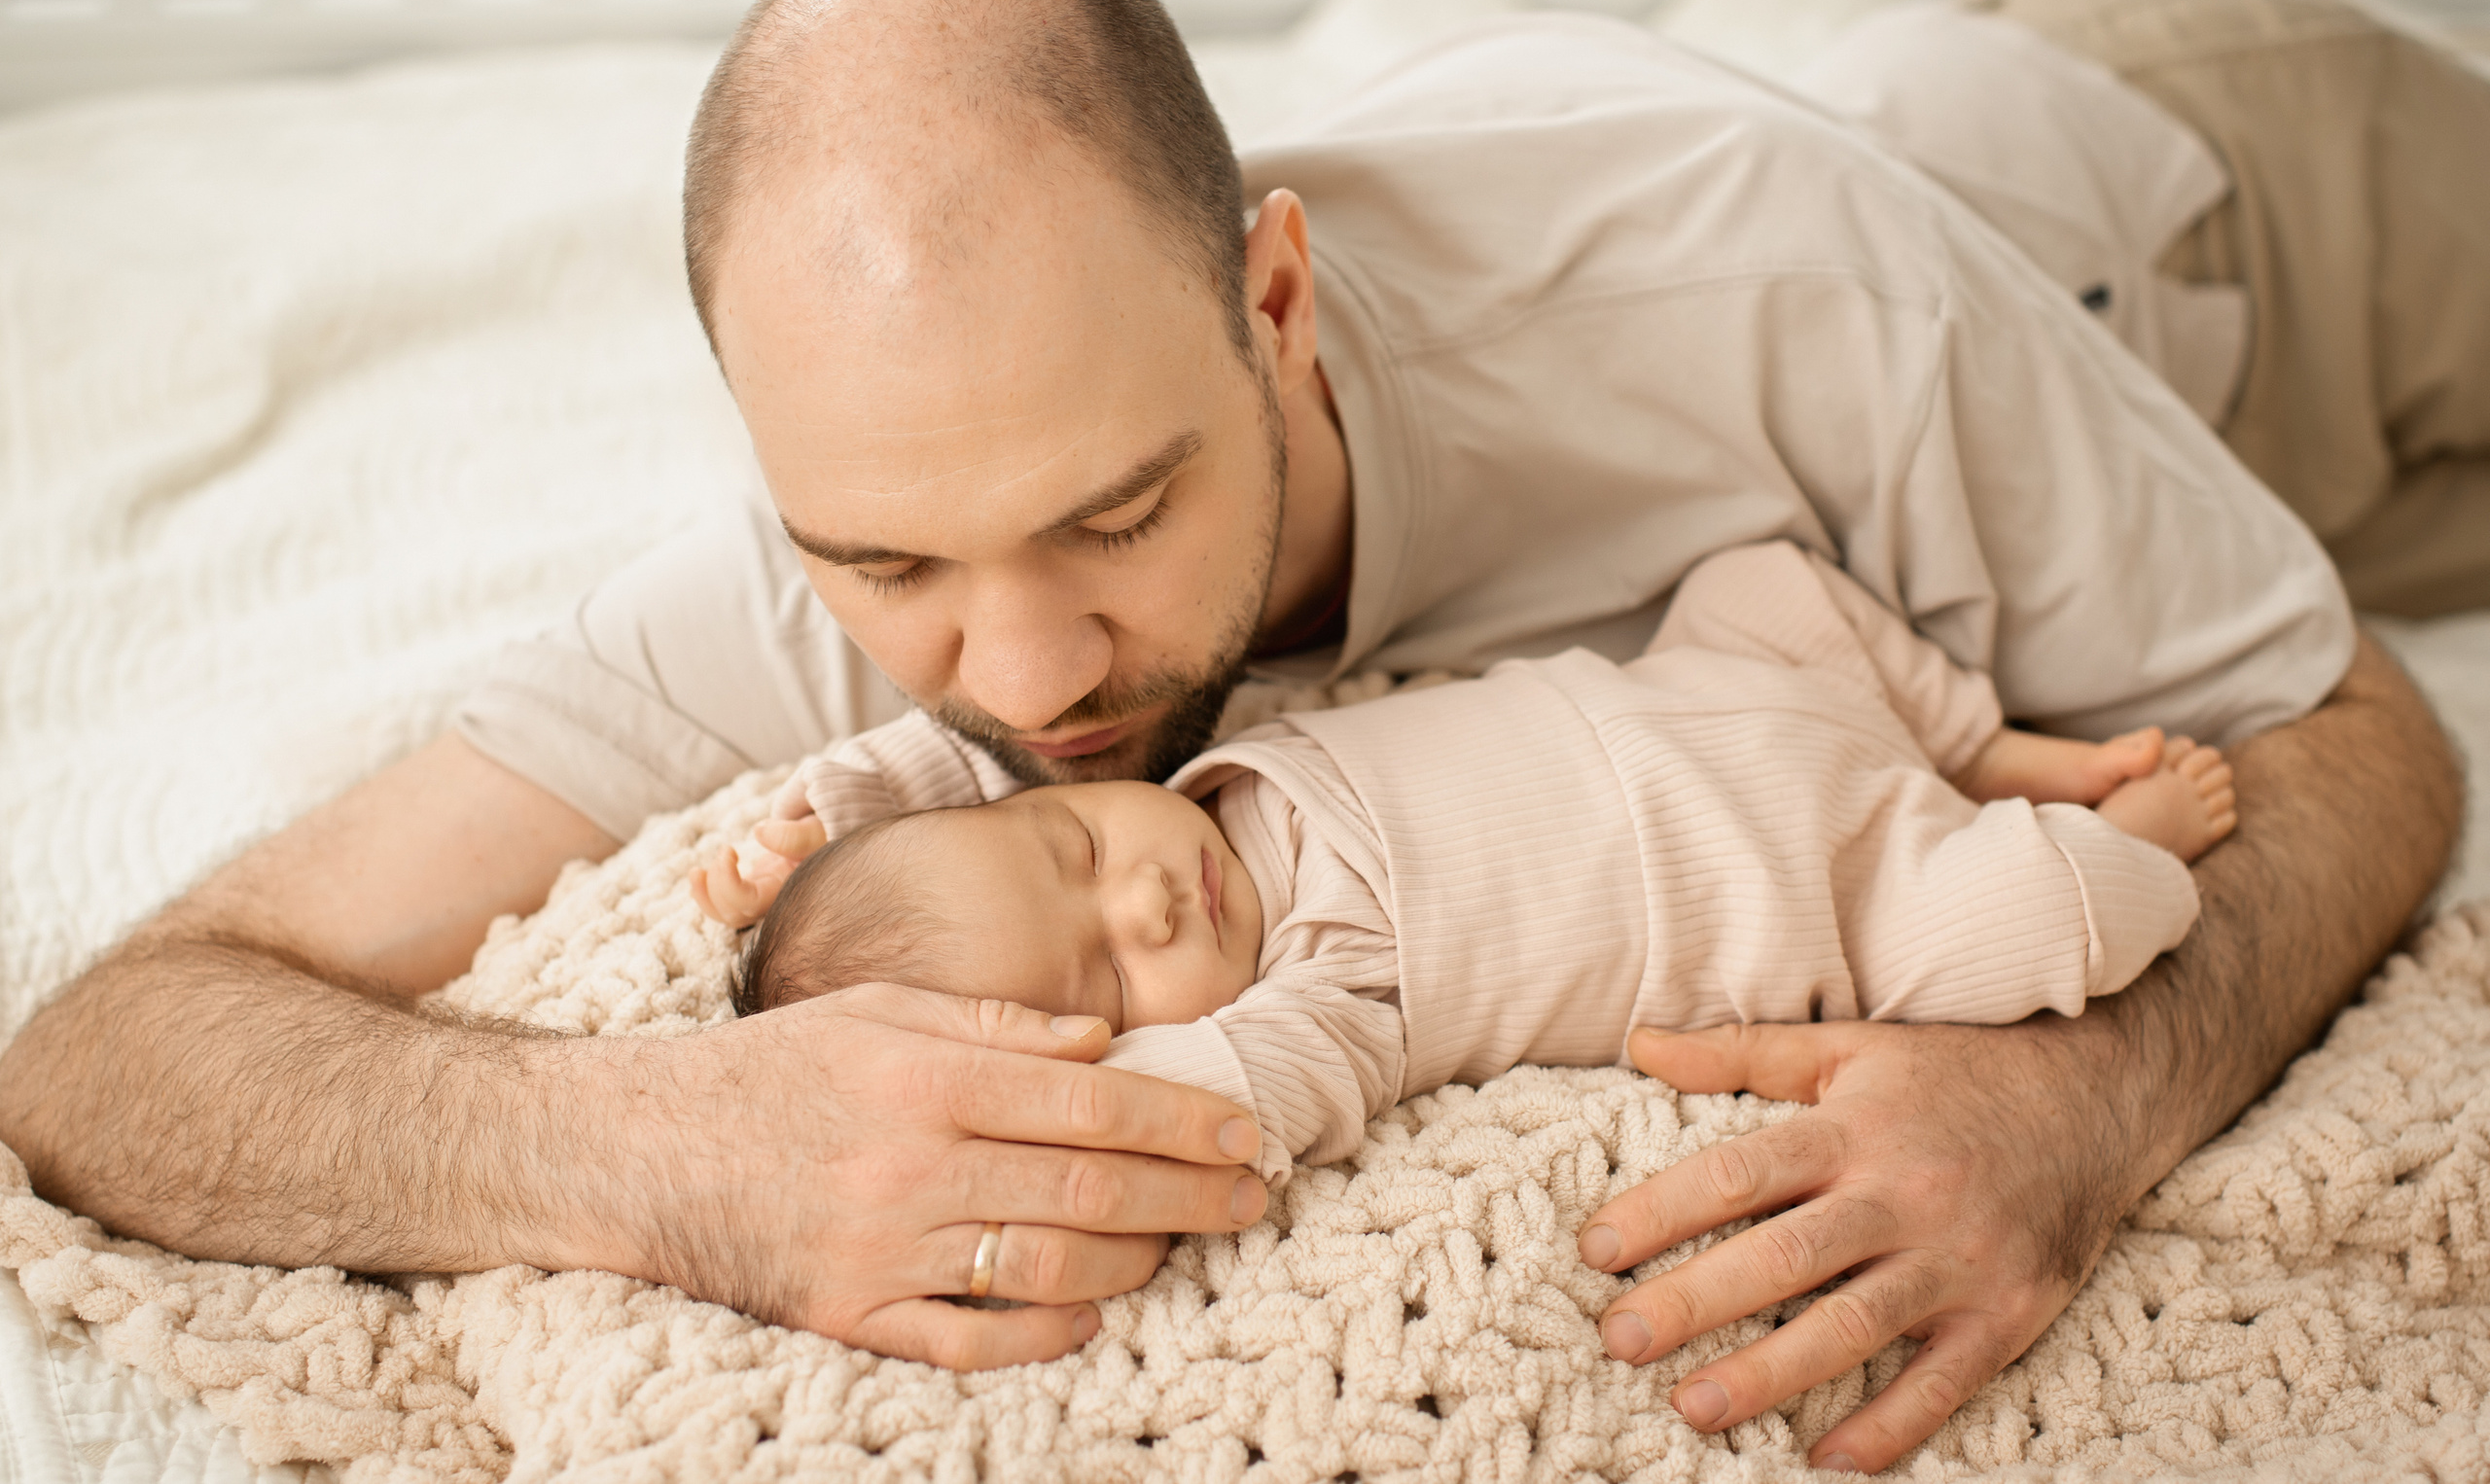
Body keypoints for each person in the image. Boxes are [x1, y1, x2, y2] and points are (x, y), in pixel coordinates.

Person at [0, 0, 2464, 1476]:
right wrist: (655, 1152)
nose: (1028, 674)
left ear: (1272, 305)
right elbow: (125, 1044)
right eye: (888, 566)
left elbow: (2348, 726)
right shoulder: (865, 532)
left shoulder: (1775, 289)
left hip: (2218, 197)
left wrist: (2089, 1088)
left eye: (1115, 517)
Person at [724, 541, 2240, 1191]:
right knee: (2043, 915)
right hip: (1819, 877)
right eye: (1109, 969)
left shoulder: (1197, 769)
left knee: (1764, 580)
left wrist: (814, 828)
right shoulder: (1325, 1002)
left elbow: (962, 765)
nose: (1147, 895)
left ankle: (1989, 746)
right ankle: (2104, 837)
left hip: (1720, 679)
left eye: (1077, 852)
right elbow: (1188, 1120)